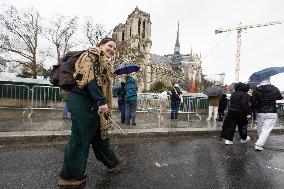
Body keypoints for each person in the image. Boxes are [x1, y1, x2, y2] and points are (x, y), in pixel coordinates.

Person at [58, 38, 127, 187]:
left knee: (98, 134)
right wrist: (101, 101)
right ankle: (69, 177)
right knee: (80, 138)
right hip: (82, 99)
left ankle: (112, 162)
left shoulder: (103, 61)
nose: (112, 49)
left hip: (91, 101)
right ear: (100, 45)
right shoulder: (91, 54)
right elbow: (88, 78)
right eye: (110, 46)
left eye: (114, 48)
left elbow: (101, 82)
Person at [252, 78, 283, 151]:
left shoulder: (256, 90)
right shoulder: (274, 88)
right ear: (269, 80)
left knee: (260, 128)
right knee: (266, 129)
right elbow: (280, 97)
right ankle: (259, 144)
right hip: (272, 112)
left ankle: (260, 141)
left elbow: (253, 101)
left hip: (260, 112)